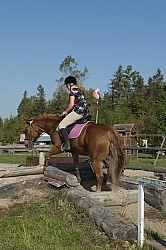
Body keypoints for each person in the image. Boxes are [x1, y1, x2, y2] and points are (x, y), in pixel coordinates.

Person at [58, 76, 89, 151]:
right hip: (85, 112)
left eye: (66, 86)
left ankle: (67, 145)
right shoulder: (80, 90)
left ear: (69, 84)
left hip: (78, 113)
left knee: (61, 125)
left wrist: (66, 111)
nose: (67, 87)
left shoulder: (72, 92)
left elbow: (71, 105)